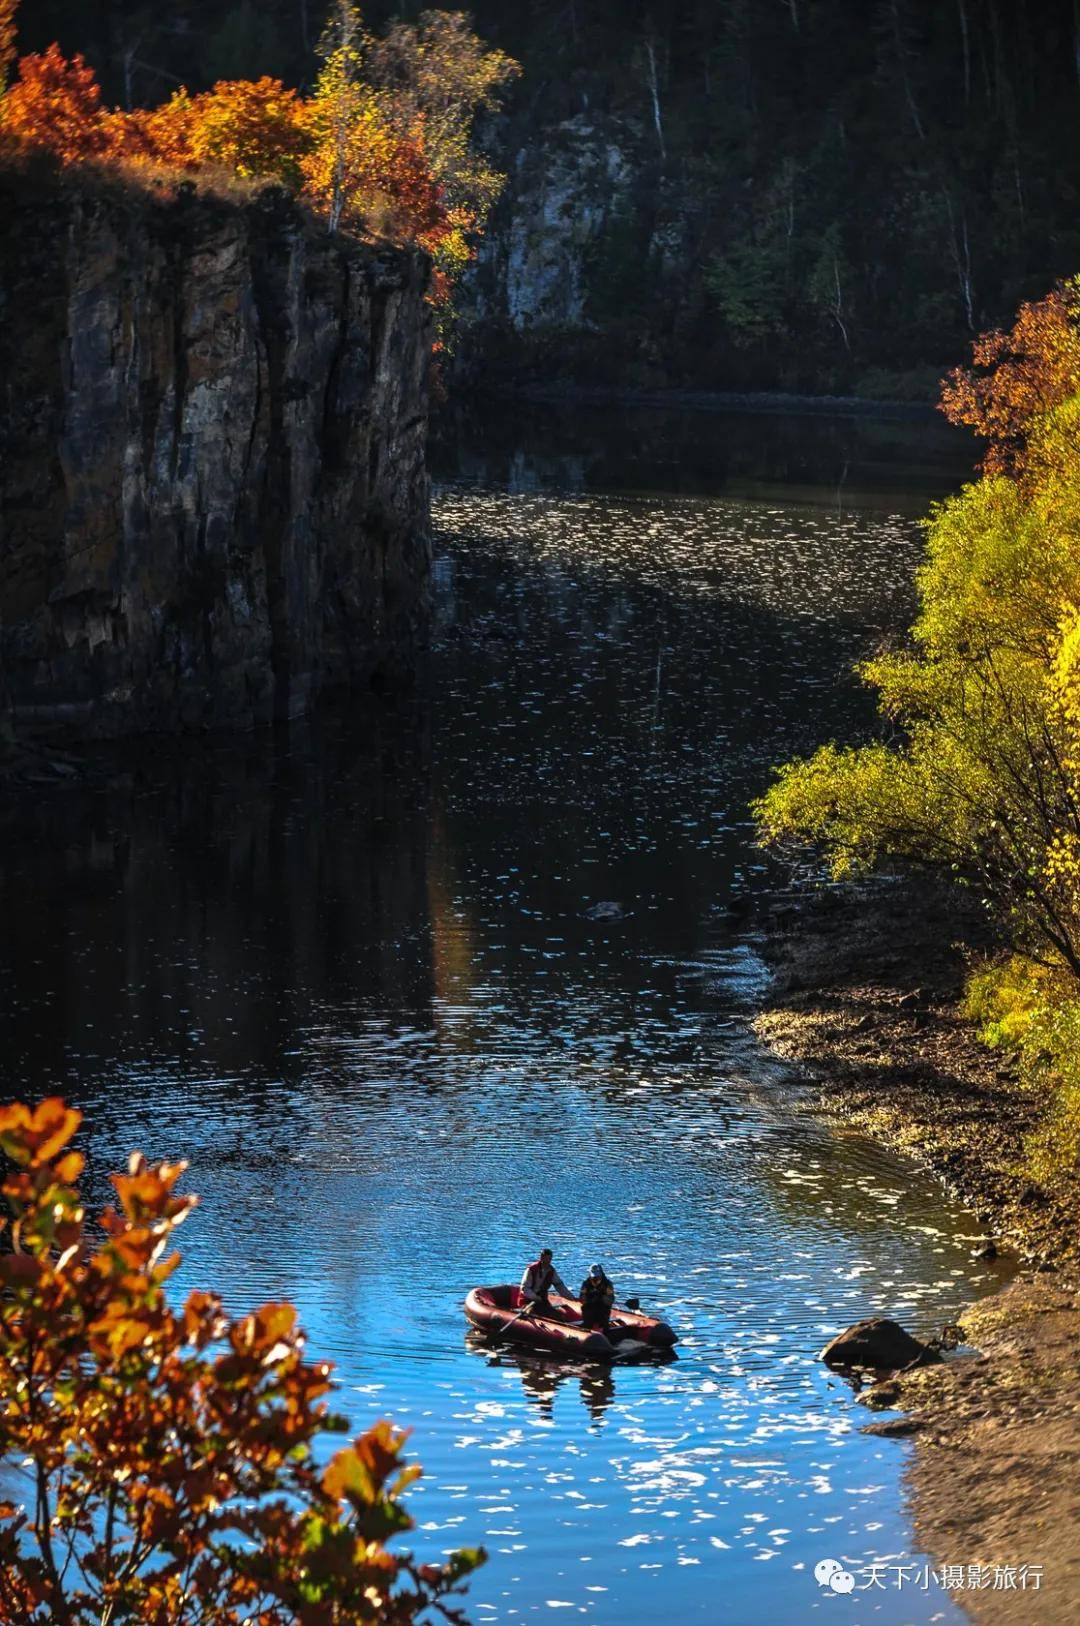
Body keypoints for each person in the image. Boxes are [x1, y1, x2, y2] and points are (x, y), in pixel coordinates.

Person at [579, 1263, 615, 1331]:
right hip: (589, 1309)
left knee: (605, 1323)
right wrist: (591, 1299)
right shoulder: (586, 1284)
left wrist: (602, 1298)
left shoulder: (607, 1284)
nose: (595, 1278)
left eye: (597, 1276)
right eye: (593, 1276)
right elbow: (582, 1298)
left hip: (603, 1310)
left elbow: (611, 1299)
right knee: (588, 1317)